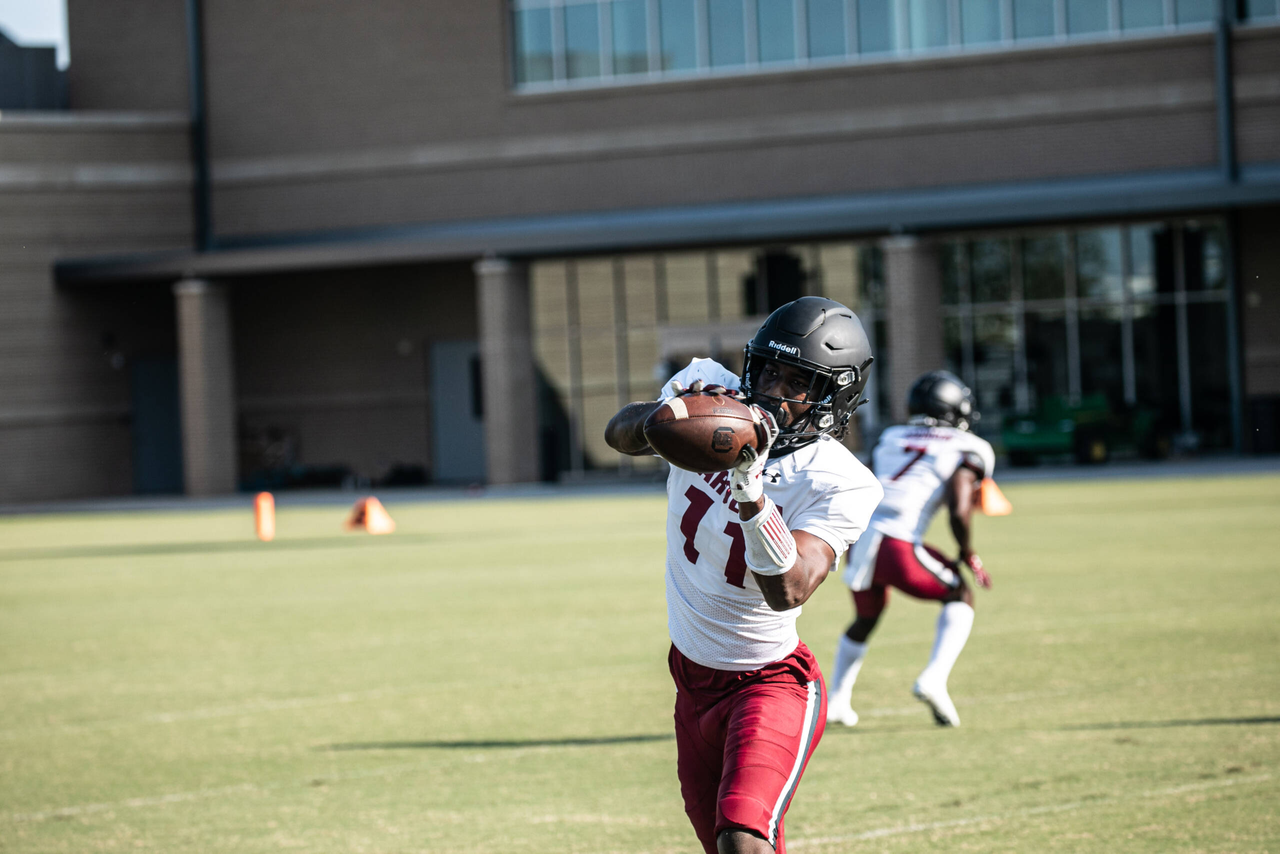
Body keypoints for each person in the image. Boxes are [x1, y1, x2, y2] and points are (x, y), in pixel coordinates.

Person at [605, 296, 883, 854]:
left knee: (743, 838)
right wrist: (668, 418)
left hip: (769, 681)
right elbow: (618, 434)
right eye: (767, 371)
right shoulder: (709, 386)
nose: (772, 392)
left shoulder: (841, 481)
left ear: (832, 399)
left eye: (796, 381)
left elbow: (790, 589)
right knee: (725, 845)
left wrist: (752, 492)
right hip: (690, 679)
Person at [825, 370, 995, 730]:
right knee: (960, 593)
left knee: (866, 618)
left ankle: (838, 702)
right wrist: (967, 551)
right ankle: (934, 678)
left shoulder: (890, 436)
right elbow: (960, 506)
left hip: (860, 542)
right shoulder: (967, 447)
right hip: (898, 546)